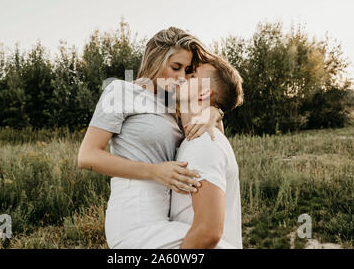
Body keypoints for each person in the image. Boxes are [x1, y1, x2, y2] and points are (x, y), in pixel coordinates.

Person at [78, 27, 225, 248]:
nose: (181, 77)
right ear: (155, 60)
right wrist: (154, 171)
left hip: (167, 215)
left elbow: (215, 142)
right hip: (133, 216)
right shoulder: (120, 92)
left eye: (187, 70)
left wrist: (214, 113)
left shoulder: (175, 105)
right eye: (175, 67)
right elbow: (87, 156)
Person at [170, 55, 244, 249]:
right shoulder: (195, 139)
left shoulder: (203, 143)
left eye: (191, 74)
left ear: (203, 94)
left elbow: (208, 233)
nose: (181, 76)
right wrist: (215, 112)